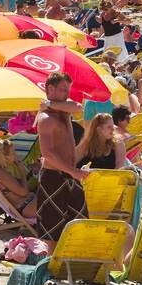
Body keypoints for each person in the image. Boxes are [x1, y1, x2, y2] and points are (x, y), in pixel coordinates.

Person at [35, 72, 86, 252]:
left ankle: (70, 265)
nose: (67, 94)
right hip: (53, 176)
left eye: (68, 90)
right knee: (51, 230)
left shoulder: (63, 111)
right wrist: (73, 172)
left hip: (71, 175)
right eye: (63, 90)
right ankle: (47, 270)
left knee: (80, 224)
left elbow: (78, 106)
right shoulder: (46, 118)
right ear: (50, 89)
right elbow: (47, 153)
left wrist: (51, 103)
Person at [0, 139, 37, 218]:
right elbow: (24, 192)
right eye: (13, 153)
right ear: (4, 157)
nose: (15, 155)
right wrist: (22, 172)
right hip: (26, 206)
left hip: (28, 203)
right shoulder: (1, 174)